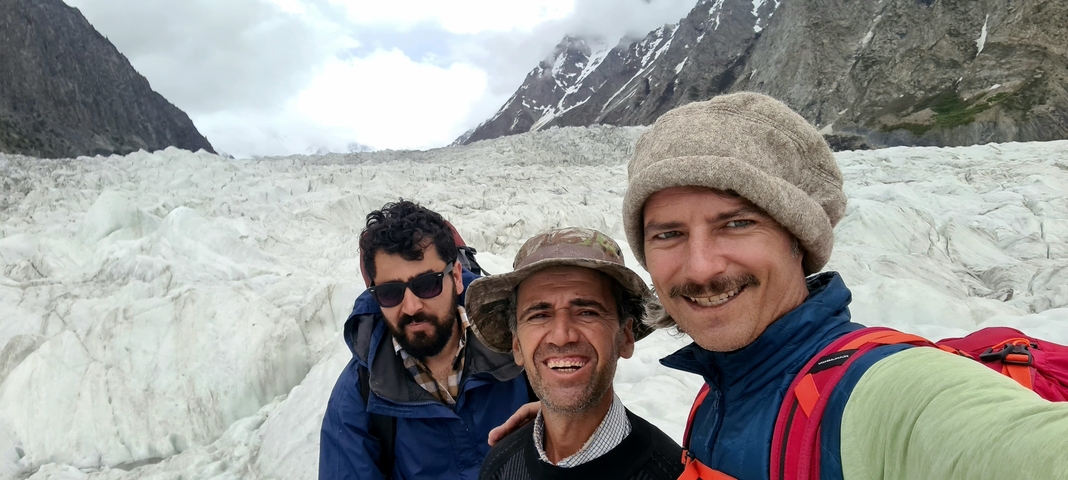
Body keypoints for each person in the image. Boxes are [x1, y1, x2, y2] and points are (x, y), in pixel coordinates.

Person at [618, 92, 1068, 479]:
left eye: (737, 224)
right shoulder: (719, 387)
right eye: (668, 234)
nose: (700, 268)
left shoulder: (886, 392)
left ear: (798, 240)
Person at [319, 200, 531, 480]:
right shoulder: (359, 396)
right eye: (390, 292)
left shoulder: (519, 347)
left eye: (427, 284)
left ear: (456, 277)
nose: (410, 307)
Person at [466, 227, 683, 480]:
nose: (561, 335)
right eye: (539, 315)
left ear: (625, 336)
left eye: (587, 312)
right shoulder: (500, 466)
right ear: (517, 346)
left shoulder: (675, 474)